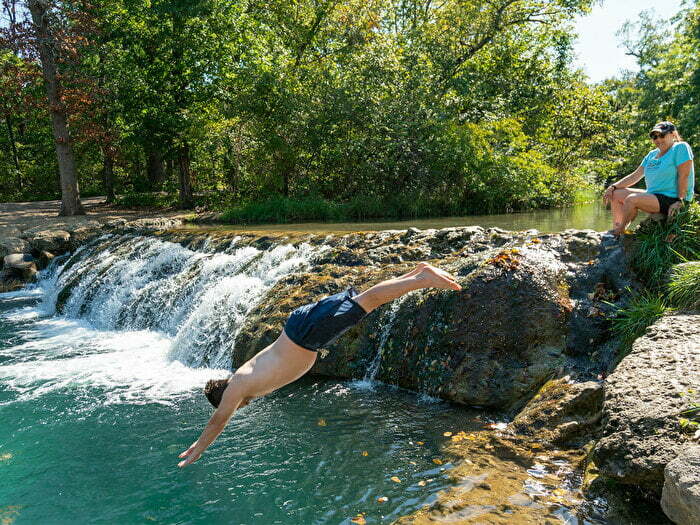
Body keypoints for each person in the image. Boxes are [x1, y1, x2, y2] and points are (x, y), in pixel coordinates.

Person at [177, 262, 462, 468]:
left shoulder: (237, 386)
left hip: (305, 335)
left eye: (231, 405)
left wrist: (199, 447)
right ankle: (417, 273)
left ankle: (422, 278)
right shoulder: (246, 380)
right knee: (364, 302)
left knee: (367, 303)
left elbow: (218, 421)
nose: (236, 408)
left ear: (225, 396)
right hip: (303, 332)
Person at [603, 121, 695, 235]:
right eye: (654, 136)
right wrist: (613, 186)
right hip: (653, 196)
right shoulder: (652, 154)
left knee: (632, 199)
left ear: (673, 134)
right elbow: (635, 176)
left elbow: (684, 176)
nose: (658, 139)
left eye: (662, 135)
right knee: (616, 194)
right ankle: (617, 228)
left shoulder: (680, 147)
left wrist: (681, 201)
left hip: (671, 199)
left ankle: (618, 232)